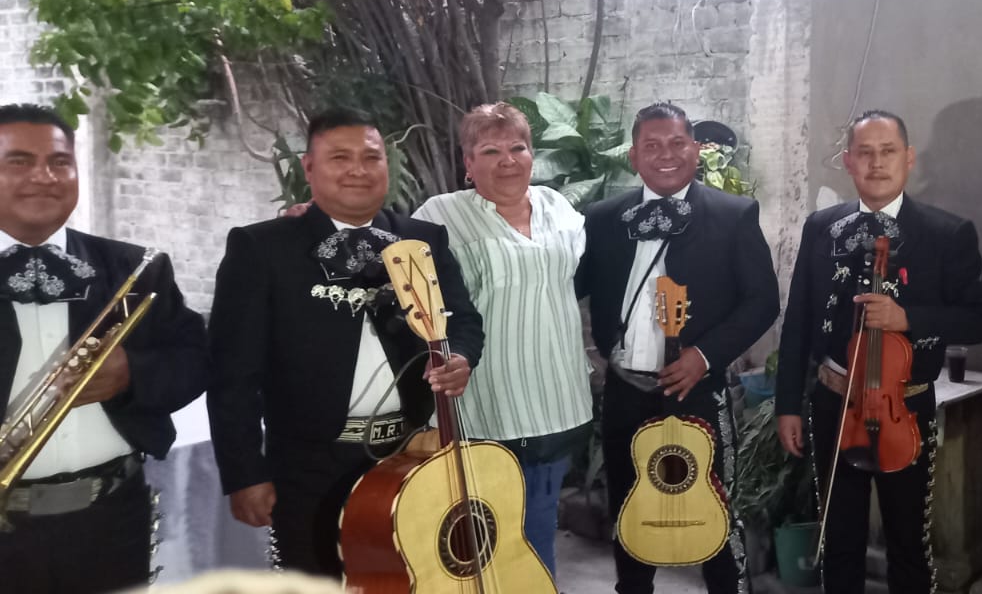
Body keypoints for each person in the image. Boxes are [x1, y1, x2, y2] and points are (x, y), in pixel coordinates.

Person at [207, 106, 483, 578]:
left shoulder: (422, 240)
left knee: (408, 579)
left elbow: (464, 320)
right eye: (340, 157)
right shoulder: (263, 248)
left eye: (371, 157)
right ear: (309, 168)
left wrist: (460, 355)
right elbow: (232, 372)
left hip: (409, 453)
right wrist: (244, 473)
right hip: (309, 465)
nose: (358, 169)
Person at [775, 110, 982, 594]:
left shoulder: (947, 233)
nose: (876, 163)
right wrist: (788, 403)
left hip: (904, 407)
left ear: (908, 158)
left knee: (907, 540)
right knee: (840, 538)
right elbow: (799, 321)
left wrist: (908, 318)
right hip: (835, 401)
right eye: (865, 153)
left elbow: (978, 321)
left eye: (888, 151)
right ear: (848, 161)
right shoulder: (822, 227)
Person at [0, 102, 208, 593]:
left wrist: (132, 373)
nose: (44, 177)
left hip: (111, 520)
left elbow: (196, 361)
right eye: (19, 162)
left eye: (60, 162)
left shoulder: (137, 269)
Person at [577, 102, 780, 594]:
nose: (665, 154)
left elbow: (762, 301)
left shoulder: (733, 214)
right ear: (633, 156)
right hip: (624, 389)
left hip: (698, 390)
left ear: (695, 148)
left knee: (714, 509)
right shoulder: (601, 219)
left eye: (676, 143)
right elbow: (566, 288)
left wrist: (704, 356)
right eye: (651, 145)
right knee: (629, 509)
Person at [411, 102, 592, 575]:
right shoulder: (440, 214)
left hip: (556, 400)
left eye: (518, 147)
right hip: (484, 401)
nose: (508, 160)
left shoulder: (557, 206)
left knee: (536, 532)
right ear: (468, 163)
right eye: (490, 151)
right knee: (478, 540)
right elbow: (390, 261)